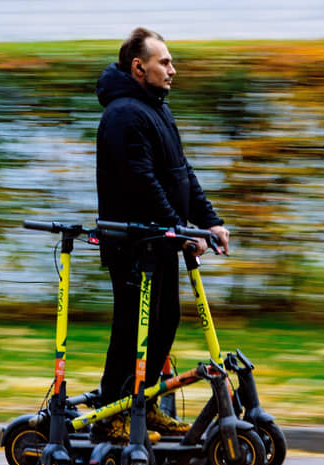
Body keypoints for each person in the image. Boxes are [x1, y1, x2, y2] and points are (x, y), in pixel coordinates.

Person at [92, 27, 230, 443]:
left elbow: (181, 173)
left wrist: (208, 221)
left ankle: (143, 404)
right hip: (133, 245)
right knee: (132, 327)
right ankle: (110, 414)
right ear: (139, 67)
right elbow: (142, 182)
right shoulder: (123, 115)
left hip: (159, 243)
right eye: (164, 62)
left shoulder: (155, 110)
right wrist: (180, 229)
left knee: (165, 321)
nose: (173, 69)